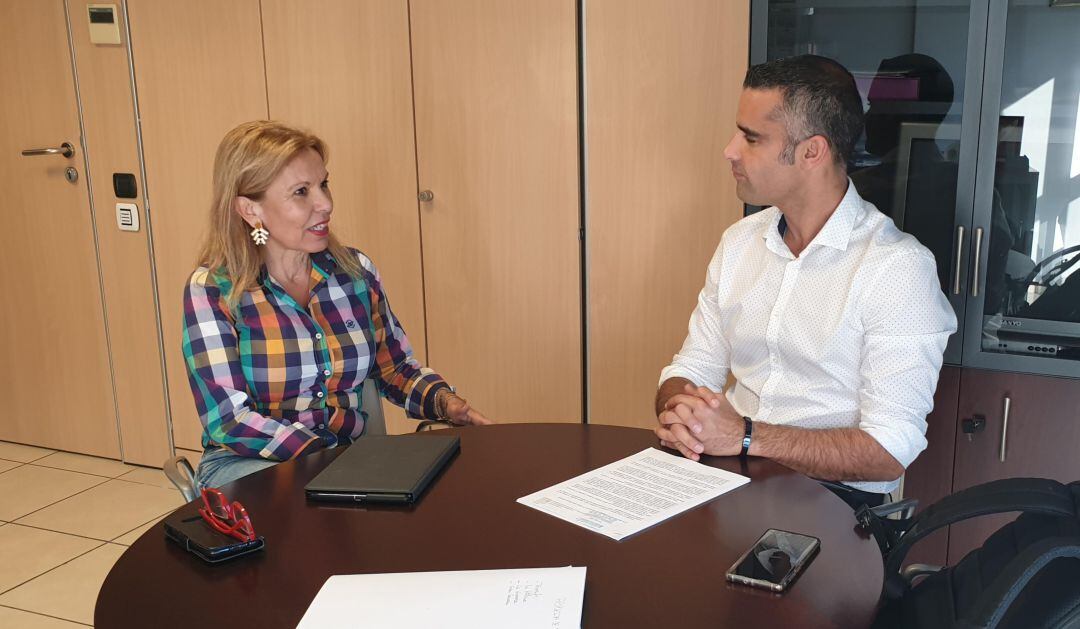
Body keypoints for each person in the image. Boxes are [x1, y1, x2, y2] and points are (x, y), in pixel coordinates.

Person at [655, 55, 957, 510]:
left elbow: (890, 450)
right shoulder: (739, 243)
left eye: (751, 138)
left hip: (835, 501)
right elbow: (693, 368)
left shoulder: (897, 269)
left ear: (811, 152)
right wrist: (685, 412)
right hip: (725, 475)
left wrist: (746, 436)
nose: (730, 150)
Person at [183, 120, 491, 490]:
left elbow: (394, 368)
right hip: (248, 465)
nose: (325, 204)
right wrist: (328, 457)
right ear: (251, 210)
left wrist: (445, 403)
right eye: (301, 191)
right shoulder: (214, 290)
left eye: (323, 184)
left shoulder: (354, 273)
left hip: (349, 463)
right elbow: (229, 420)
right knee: (316, 522)